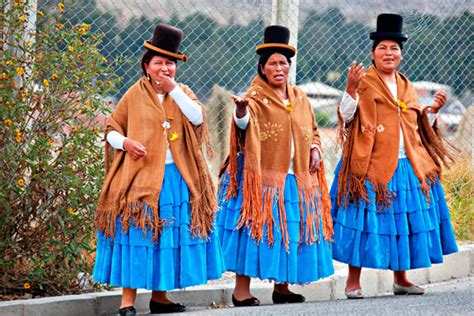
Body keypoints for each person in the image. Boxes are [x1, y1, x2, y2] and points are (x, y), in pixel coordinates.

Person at [93, 24, 225, 315]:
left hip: (176, 178)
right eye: (158, 63)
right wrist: (125, 142)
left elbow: (197, 118)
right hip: (139, 178)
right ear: (146, 66)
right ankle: (127, 302)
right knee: (136, 236)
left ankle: (159, 297)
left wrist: (174, 90)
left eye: (170, 63)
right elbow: (112, 130)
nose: (165, 68)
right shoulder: (133, 95)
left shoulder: (183, 93)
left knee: (167, 236)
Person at [330, 13, 458, 299]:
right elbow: (347, 117)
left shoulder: (406, 85)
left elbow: (416, 125)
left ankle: (401, 278)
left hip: (405, 163)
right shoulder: (364, 83)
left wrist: (433, 111)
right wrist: (349, 90)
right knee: (363, 220)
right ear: (373, 53)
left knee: (402, 222)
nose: (389, 53)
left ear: (401, 54)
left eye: (394, 49)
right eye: (383, 48)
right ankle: (353, 281)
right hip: (371, 164)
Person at [217, 25, 334, 307]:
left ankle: (282, 288)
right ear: (262, 67)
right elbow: (243, 126)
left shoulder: (300, 98)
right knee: (254, 228)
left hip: (295, 177)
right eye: (273, 63)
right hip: (261, 179)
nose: (279, 67)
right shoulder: (254, 98)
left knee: (287, 229)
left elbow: (313, 129)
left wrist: (315, 148)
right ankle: (240, 291)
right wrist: (241, 112)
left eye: (283, 62)